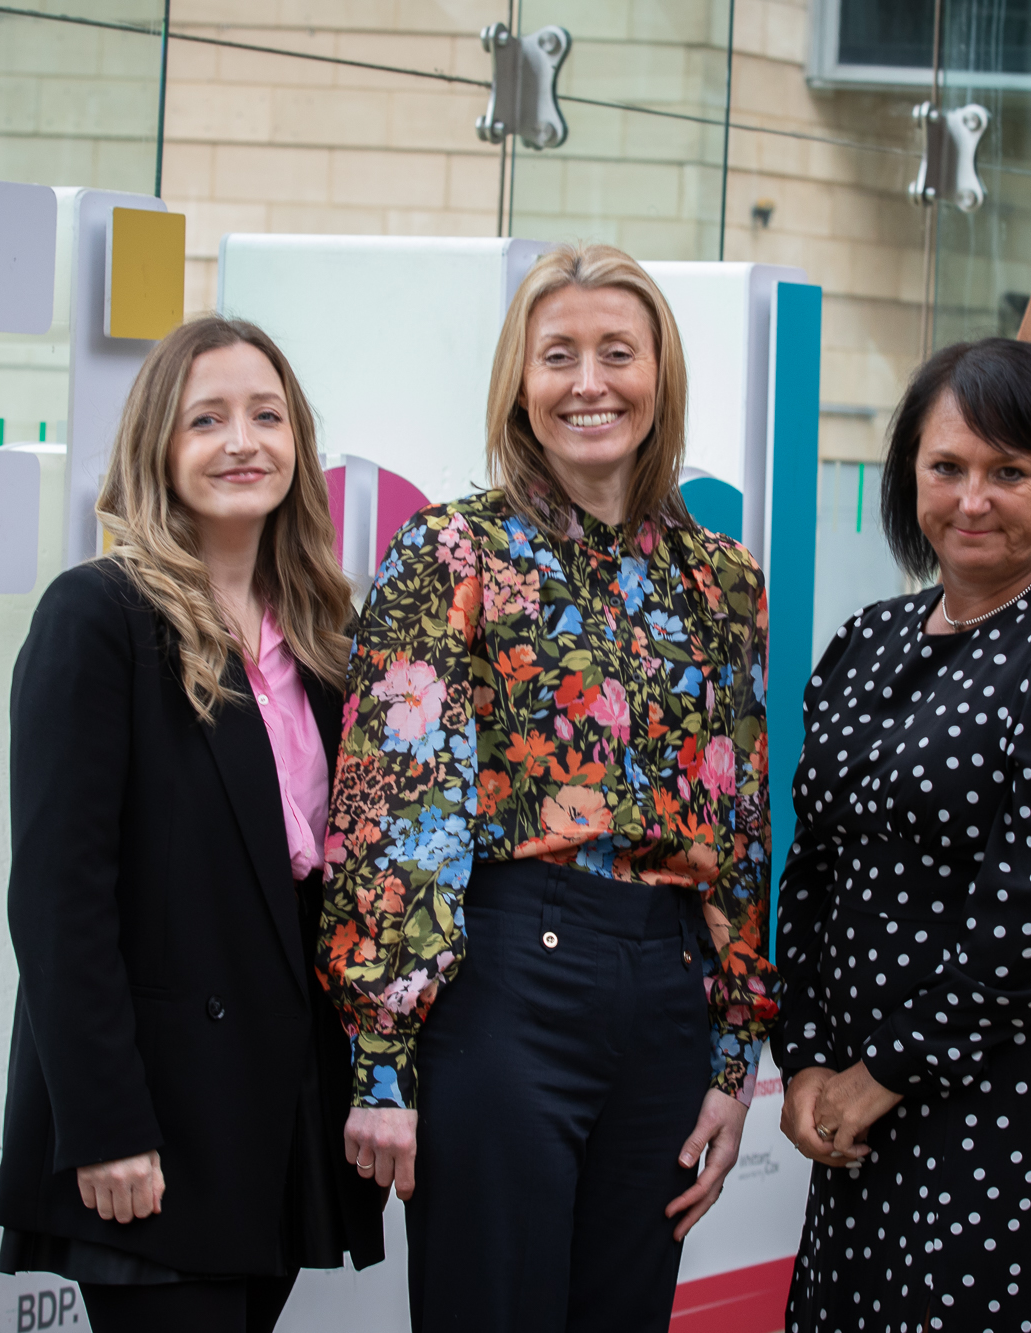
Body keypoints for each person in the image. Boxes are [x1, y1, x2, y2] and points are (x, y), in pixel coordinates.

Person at [319, 243, 781, 1332]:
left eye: (616, 352)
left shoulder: (720, 582)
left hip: (666, 994)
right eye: (558, 354)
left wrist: (730, 1057)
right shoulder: (450, 555)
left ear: (656, 374)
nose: (589, 382)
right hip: (508, 979)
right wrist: (381, 1061)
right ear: (518, 385)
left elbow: (742, 822)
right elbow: (390, 811)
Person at [0, 316, 384, 1332]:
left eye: (265, 415)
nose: (241, 441)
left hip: (275, 1108)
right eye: (205, 419)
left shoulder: (321, 637)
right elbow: (55, 896)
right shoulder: (97, 615)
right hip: (152, 1125)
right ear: (157, 448)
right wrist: (105, 1125)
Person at [776, 337, 1031, 1333]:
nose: (971, 498)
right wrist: (808, 1056)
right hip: (859, 1091)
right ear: (909, 476)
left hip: (1012, 1088)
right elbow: (814, 862)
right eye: (946, 467)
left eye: (1009, 472)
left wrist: (881, 1073)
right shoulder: (866, 641)